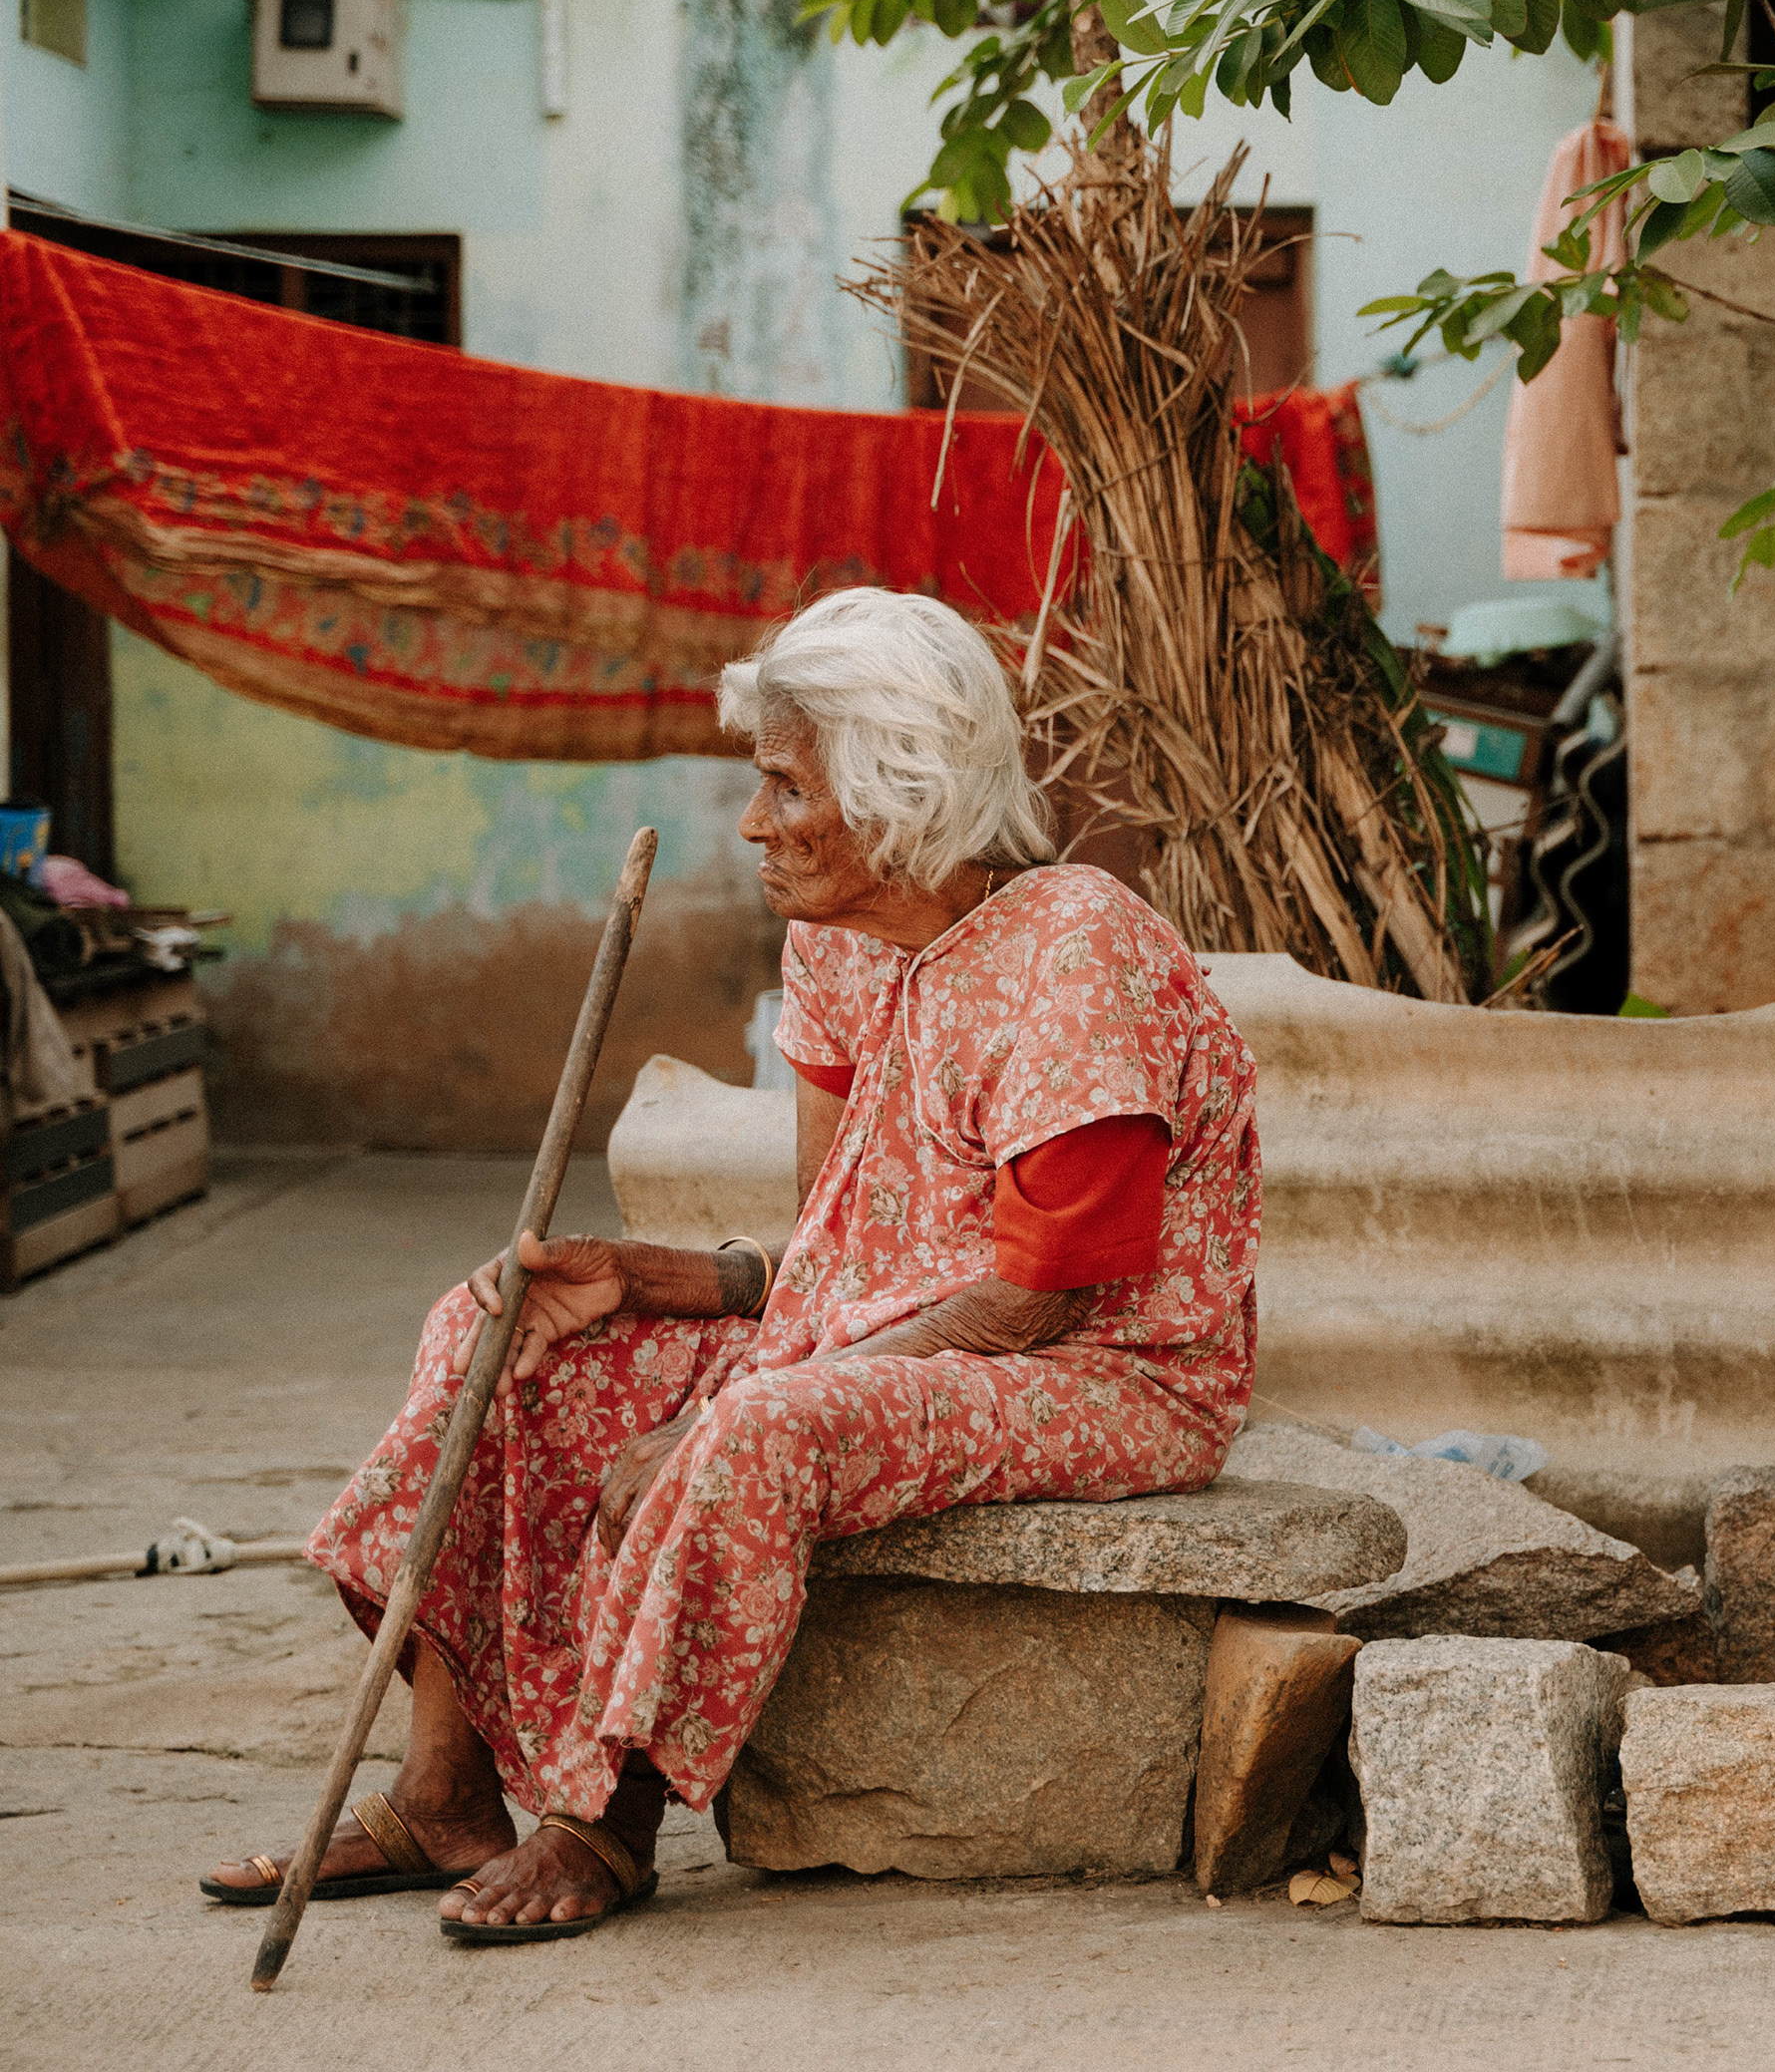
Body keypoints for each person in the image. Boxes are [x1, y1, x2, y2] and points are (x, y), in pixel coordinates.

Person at [200, 588, 1264, 1935]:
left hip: (1105, 1371)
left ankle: (609, 1819)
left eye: (780, 785)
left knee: (755, 1433)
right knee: (511, 1329)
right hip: (931, 1337)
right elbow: (846, 1245)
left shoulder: (1078, 951)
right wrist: (660, 1280)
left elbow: (1032, 1294)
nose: (752, 824)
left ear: (897, 792)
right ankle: (442, 1791)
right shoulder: (836, 939)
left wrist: (715, 1415)